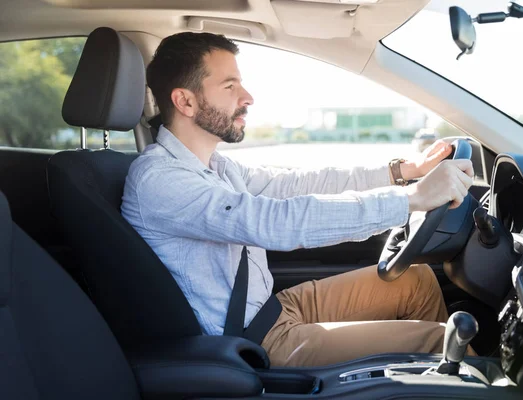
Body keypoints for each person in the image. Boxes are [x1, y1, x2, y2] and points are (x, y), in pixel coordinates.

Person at [121, 32, 475, 367]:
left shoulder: (217, 167)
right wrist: (411, 200)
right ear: (185, 100)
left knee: (416, 282)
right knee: (437, 340)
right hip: (251, 339)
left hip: (274, 308)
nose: (247, 97)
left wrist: (402, 172)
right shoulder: (160, 179)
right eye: (230, 86)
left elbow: (298, 185)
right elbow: (276, 222)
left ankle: (430, 383)